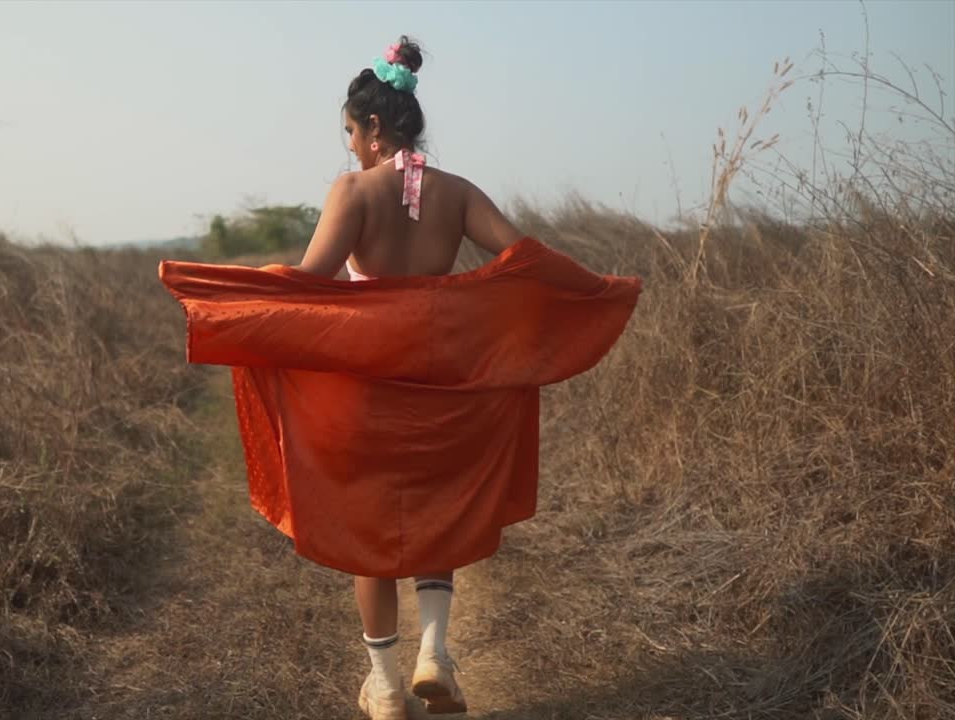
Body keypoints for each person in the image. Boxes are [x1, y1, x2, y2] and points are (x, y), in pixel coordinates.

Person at [158, 36, 640, 720]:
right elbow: (522, 258)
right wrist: (592, 289)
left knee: (371, 529)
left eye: (350, 133)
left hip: (363, 391)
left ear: (375, 128)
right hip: (446, 388)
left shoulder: (353, 191)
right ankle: (435, 653)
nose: (349, 147)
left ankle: (385, 684)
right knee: (437, 514)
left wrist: (243, 293)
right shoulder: (459, 193)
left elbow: (311, 282)